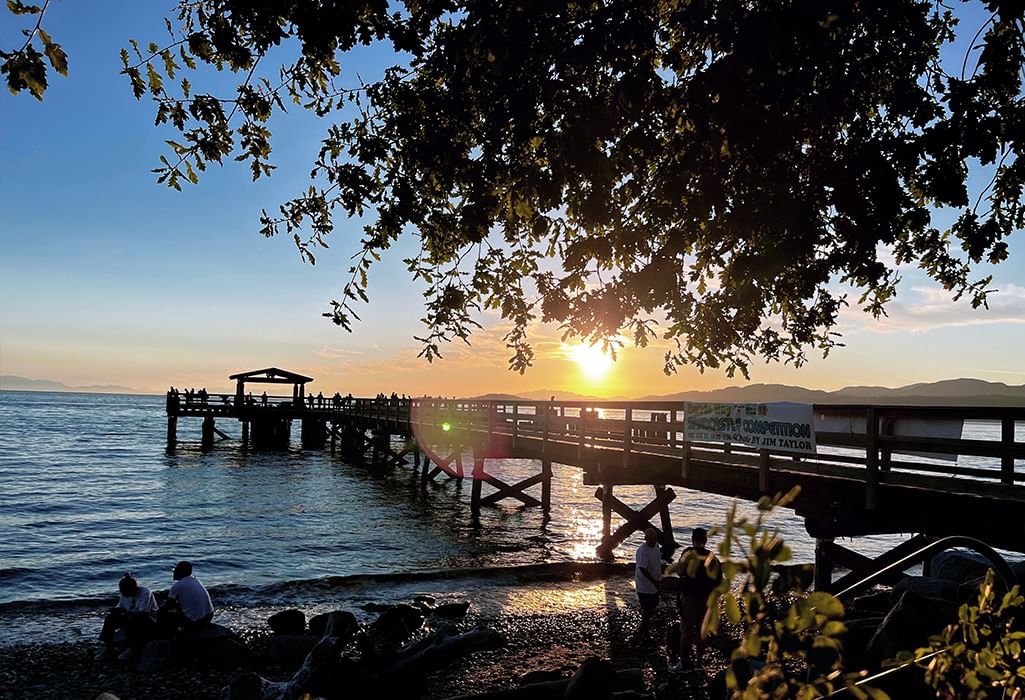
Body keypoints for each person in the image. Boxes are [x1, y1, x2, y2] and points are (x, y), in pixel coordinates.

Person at [665, 527, 722, 673]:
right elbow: (719, 582)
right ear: (706, 540)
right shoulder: (712, 557)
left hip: (690, 598)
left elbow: (680, 571)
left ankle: (684, 664)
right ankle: (699, 663)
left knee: (686, 631)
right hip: (706, 600)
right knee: (701, 632)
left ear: (692, 539)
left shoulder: (689, 553)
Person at [96, 573, 158, 661]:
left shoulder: (145, 592)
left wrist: (126, 612)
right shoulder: (124, 595)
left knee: (135, 619)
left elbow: (144, 611)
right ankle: (109, 647)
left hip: (148, 619)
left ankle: (133, 648)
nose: (122, 593)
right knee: (110, 619)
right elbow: (120, 606)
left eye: (124, 591)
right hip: (130, 616)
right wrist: (116, 612)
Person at [157, 561, 214, 636]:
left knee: (161, 613)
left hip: (196, 622)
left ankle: (169, 635)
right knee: (177, 607)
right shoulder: (196, 580)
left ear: (181, 572)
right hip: (209, 616)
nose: (173, 572)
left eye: (175, 570)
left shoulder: (178, 586)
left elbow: (168, 606)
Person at [634, 527, 663, 635]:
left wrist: (659, 579)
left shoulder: (656, 546)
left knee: (653, 605)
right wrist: (654, 581)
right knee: (647, 608)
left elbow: (656, 563)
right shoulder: (643, 550)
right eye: (650, 539)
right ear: (646, 539)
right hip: (644, 585)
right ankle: (643, 629)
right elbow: (642, 568)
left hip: (655, 583)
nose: (653, 541)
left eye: (654, 539)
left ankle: (645, 625)